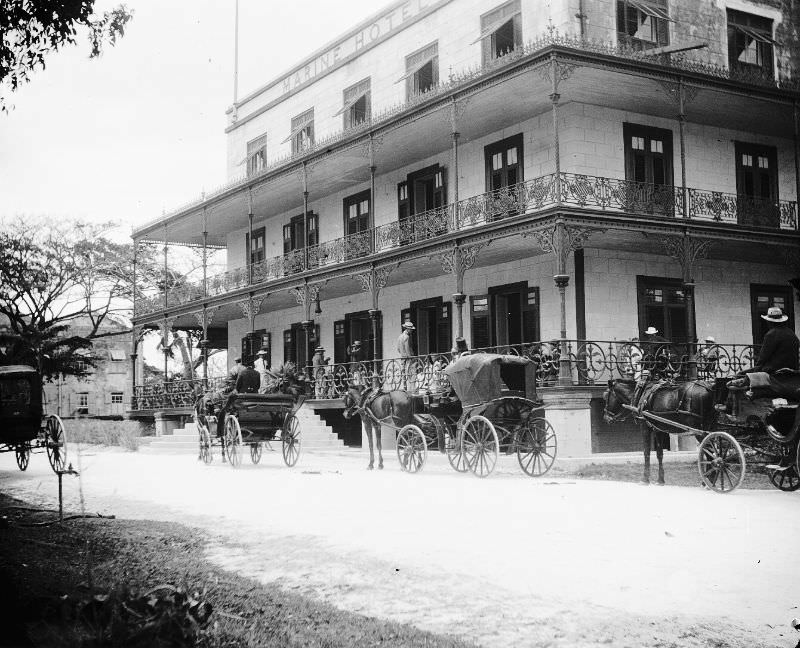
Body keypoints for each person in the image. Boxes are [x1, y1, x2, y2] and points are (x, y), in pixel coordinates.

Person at [753, 307, 799, 374]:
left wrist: (753, 374)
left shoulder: (771, 334)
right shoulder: (791, 333)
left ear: (769, 322)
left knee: (741, 374)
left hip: (775, 370)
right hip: (793, 370)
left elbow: (763, 358)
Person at [396, 321, 415, 390]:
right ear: (407, 329)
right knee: (411, 374)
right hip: (408, 358)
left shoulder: (400, 336)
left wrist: (402, 353)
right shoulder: (406, 337)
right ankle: (411, 389)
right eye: (411, 329)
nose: (411, 331)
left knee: (404, 374)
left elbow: (398, 348)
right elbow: (407, 348)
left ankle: (405, 388)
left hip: (403, 357)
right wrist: (410, 357)